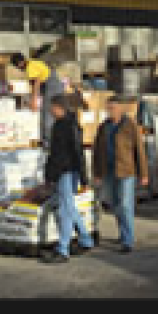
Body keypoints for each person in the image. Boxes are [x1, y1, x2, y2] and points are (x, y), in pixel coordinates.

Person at [40, 95, 95, 264]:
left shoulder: (70, 126)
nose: (50, 110)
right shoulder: (58, 125)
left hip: (68, 172)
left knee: (65, 210)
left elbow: (78, 153)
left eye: (52, 107)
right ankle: (86, 240)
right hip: (60, 172)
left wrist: (84, 178)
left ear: (59, 108)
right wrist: (49, 175)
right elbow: (53, 154)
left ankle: (63, 250)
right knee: (69, 207)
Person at [92, 96, 148, 254]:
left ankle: (128, 240)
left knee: (125, 204)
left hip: (126, 171)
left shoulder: (130, 125)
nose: (110, 111)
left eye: (113, 108)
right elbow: (97, 151)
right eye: (108, 108)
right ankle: (123, 234)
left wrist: (143, 173)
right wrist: (97, 173)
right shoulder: (103, 127)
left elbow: (139, 150)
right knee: (115, 204)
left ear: (121, 109)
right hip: (109, 171)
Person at [10, 52, 64, 146]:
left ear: (20, 63)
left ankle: (48, 142)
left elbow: (36, 83)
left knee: (47, 114)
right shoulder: (32, 63)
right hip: (52, 85)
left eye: (17, 66)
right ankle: (45, 140)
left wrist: (34, 101)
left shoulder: (30, 67)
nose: (18, 69)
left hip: (52, 86)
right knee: (45, 113)